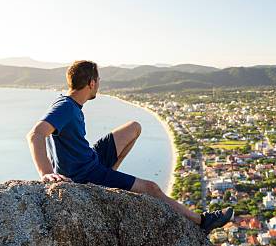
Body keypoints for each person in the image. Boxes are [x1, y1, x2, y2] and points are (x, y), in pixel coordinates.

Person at [26, 60, 233, 234]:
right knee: (151, 188)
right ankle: (202, 222)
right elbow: (36, 134)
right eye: (98, 81)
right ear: (91, 83)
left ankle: (108, 176)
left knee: (134, 128)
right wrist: (46, 173)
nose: (99, 85)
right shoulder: (65, 108)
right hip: (84, 174)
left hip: (91, 159)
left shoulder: (70, 104)